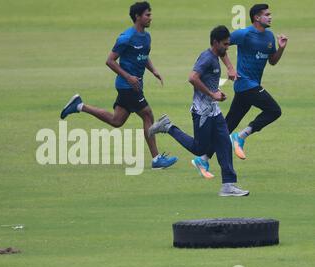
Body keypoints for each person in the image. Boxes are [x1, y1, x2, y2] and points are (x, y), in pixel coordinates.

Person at [60, 1, 178, 169]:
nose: (150, 18)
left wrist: (153, 70)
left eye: (150, 14)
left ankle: (79, 105)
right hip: (127, 86)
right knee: (147, 115)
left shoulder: (146, 37)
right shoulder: (126, 38)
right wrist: (128, 77)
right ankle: (156, 159)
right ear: (137, 17)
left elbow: (142, 56)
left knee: (117, 121)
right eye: (147, 15)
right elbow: (110, 61)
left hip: (135, 85)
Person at [148, 26, 249, 197]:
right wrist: (212, 94)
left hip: (213, 111)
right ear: (215, 43)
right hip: (202, 112)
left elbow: (224, 54)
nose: (227, 48)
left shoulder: (217, 53)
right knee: (199, 148)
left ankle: (228, 185)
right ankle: (168, 127)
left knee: (224, 143)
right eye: (225, 44)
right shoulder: (207, 58)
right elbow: (192, 78)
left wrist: (231, 69)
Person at [194, 4, 288, 176]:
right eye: (267, 15)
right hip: (245, 84)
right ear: (257, 18)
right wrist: (230, 68)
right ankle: (242, 136)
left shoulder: (268, 37)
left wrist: (281, 48)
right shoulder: (244, 34)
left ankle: (203, 158)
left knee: (227, 126)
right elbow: (222, 47)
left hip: (249, 87)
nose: (270, 17)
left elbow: (272, 61)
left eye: (270, 14)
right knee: (274, 110)